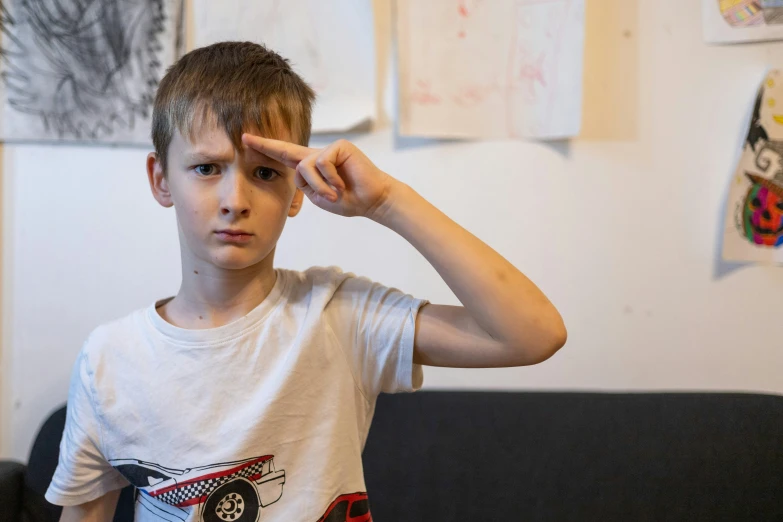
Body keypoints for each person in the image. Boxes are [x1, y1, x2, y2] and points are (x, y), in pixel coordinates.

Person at [46, 41, 567, 522]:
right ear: (161, 179)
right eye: (207, 168)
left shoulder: (338, 315)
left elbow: (532, 334)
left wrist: (387, 202)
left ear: (298, 190)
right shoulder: (109, 360)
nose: (235, 199)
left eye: (266, 172)